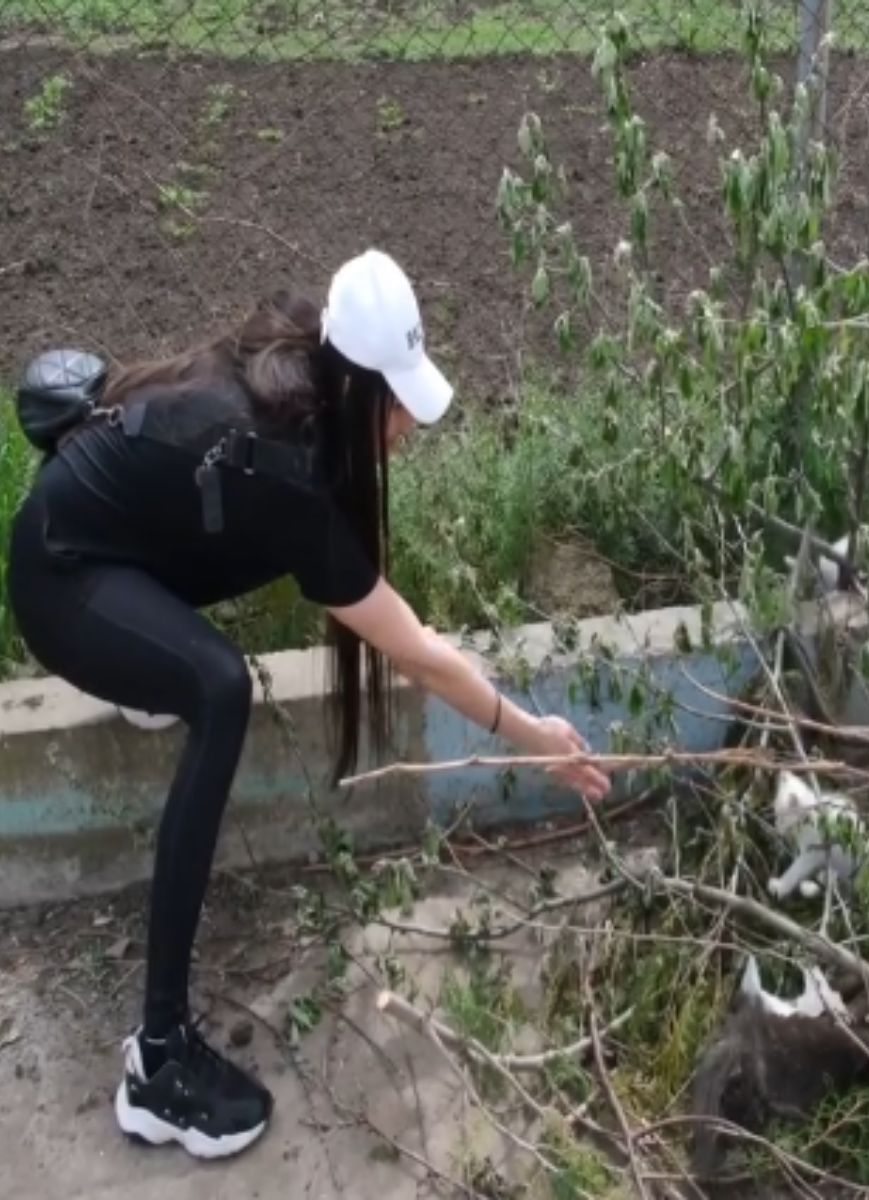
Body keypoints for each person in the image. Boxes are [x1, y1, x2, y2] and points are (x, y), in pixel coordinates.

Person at [5, 248, 611, 1160]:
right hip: (60, 577)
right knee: (218, 691)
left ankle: (141, 664)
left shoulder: (297, 369)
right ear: (360, 386)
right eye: (400, 399)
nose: (408, 422)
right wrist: (533, 737)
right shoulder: (288, 475)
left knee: (205, 644)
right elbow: (415, 651)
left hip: (105, 543)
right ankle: (158, 1066)